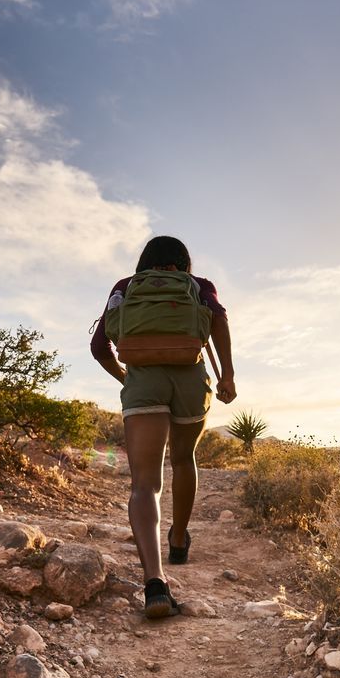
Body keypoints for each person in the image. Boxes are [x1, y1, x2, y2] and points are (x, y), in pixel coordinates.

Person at [91, 236, 237, 618]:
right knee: (184, 459)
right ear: (183, 262)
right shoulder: (199, 286)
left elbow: (99, 347)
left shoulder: (125, 288)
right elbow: (218, 321)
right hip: (190, 379)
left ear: (145, 261)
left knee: (144, 483)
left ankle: (155, 583)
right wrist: (228, 377)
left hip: (143, 382)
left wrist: (127, 378)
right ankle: (177, 538)